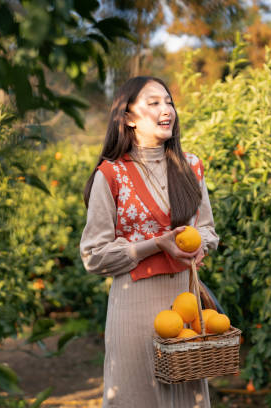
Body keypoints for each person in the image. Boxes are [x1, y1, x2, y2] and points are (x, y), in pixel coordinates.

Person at [80, 76, 219, 408]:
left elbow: (209, 230)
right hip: (133, 304)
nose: (166, 109)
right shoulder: (111, 174)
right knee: (136, 396)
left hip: (183, 303)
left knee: (186, 398)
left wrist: (200, 246)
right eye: (153, 102)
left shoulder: (191, 167)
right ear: (128, 117)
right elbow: (93, 256)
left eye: (168, 101)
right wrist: (156, 245)